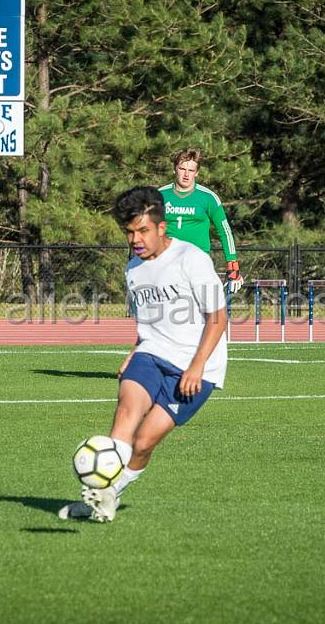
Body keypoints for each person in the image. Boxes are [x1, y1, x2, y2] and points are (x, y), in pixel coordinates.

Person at [59, 186, 228, 523]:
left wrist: (196, 367)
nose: (135, 239)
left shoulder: (191, 259)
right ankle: (96, 492)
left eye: (142, 230)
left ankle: (110, 495)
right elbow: (149, 319)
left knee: (145, 442)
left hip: (198, 366)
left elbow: (218, 317)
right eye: (129, 232)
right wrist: (133, 350)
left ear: (162, 228)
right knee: (127, 410)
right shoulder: (133, 267)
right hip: (152, 353)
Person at [159, 149, 243, 292]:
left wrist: (233, 265)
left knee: (200, 309)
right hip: (168, 261)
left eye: (191, 170)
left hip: (198, 262)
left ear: (196, 172)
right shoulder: (159, 195)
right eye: (182, 169)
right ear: (175, 169)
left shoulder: (208, 198)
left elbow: (225, 231)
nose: (186, 174)